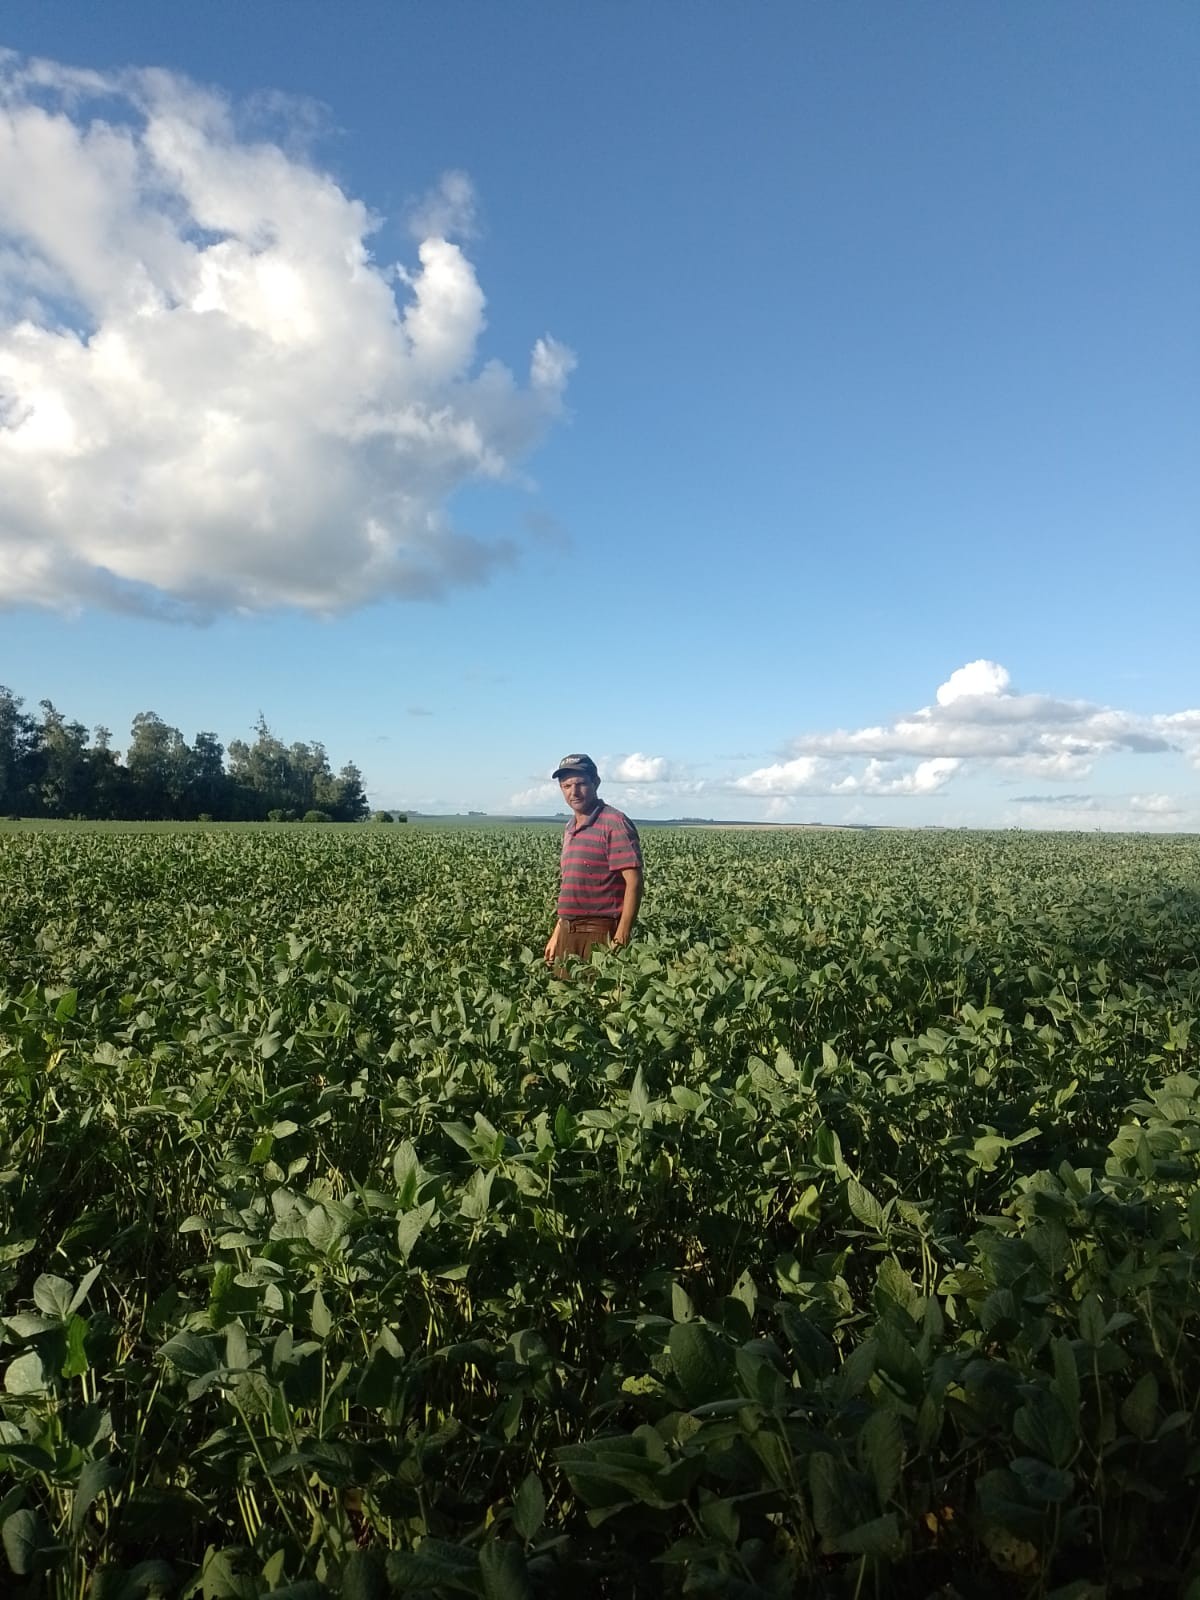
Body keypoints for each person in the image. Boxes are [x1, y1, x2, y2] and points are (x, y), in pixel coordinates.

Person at [544, 754, 643, 969]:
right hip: (568, 932)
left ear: (595, 783)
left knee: (595, 997)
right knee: (566, 998)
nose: (573, 792)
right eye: (566, 785)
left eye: (580, 784)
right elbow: (572, 888)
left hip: (599, 933)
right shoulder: (570, 827)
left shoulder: (614, 822)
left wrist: (621, 936)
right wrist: (557, 934)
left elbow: (634, 882)